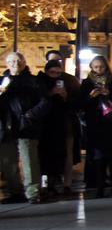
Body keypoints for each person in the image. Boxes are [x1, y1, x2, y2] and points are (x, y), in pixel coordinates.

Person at [0, 52, 50, 204]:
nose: (15, 64)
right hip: (6, 125)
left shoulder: (33, 81)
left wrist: (29, 116)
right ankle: (15, 191)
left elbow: (44, 102)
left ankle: (33, 192)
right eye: (11, 61)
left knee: (29, 160)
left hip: (26, 126)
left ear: (24, 62)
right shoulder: (3, 81)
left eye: (18, 61)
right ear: (6, 64)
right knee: (8, 162)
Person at [79, 55, 112, 198]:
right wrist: (90, 97)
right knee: (99, 158)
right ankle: (99, 187)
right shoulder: (87, 83)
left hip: (111, 124)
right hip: (95, 124)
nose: (99, 70)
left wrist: (109, 94)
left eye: (101, 67)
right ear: (91, 68)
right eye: (96, 67)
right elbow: (81, 103)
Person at [44, 50, 82, 191]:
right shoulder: (42, 80)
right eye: (52, 60)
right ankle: (50, 183)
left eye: (58, 61)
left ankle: (67, 183)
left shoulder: (70, 80)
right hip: (48, 122)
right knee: (49, 153)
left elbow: (78, 102)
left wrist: (66, 97)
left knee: (67, 153)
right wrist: (50, 94)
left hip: (66, 121)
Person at [37, 60, 73, 197]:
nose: (55, 76)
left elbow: (69, 105)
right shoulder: (40, 82)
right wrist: (51, 93)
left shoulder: (65, 82)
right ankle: (44, 185)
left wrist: (64, 97)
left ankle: (54, 183)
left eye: (58, 73)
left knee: (57, 155)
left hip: (59, 124)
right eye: (52, 72)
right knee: (43, 156)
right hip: (44, 124)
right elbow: (39, 100)